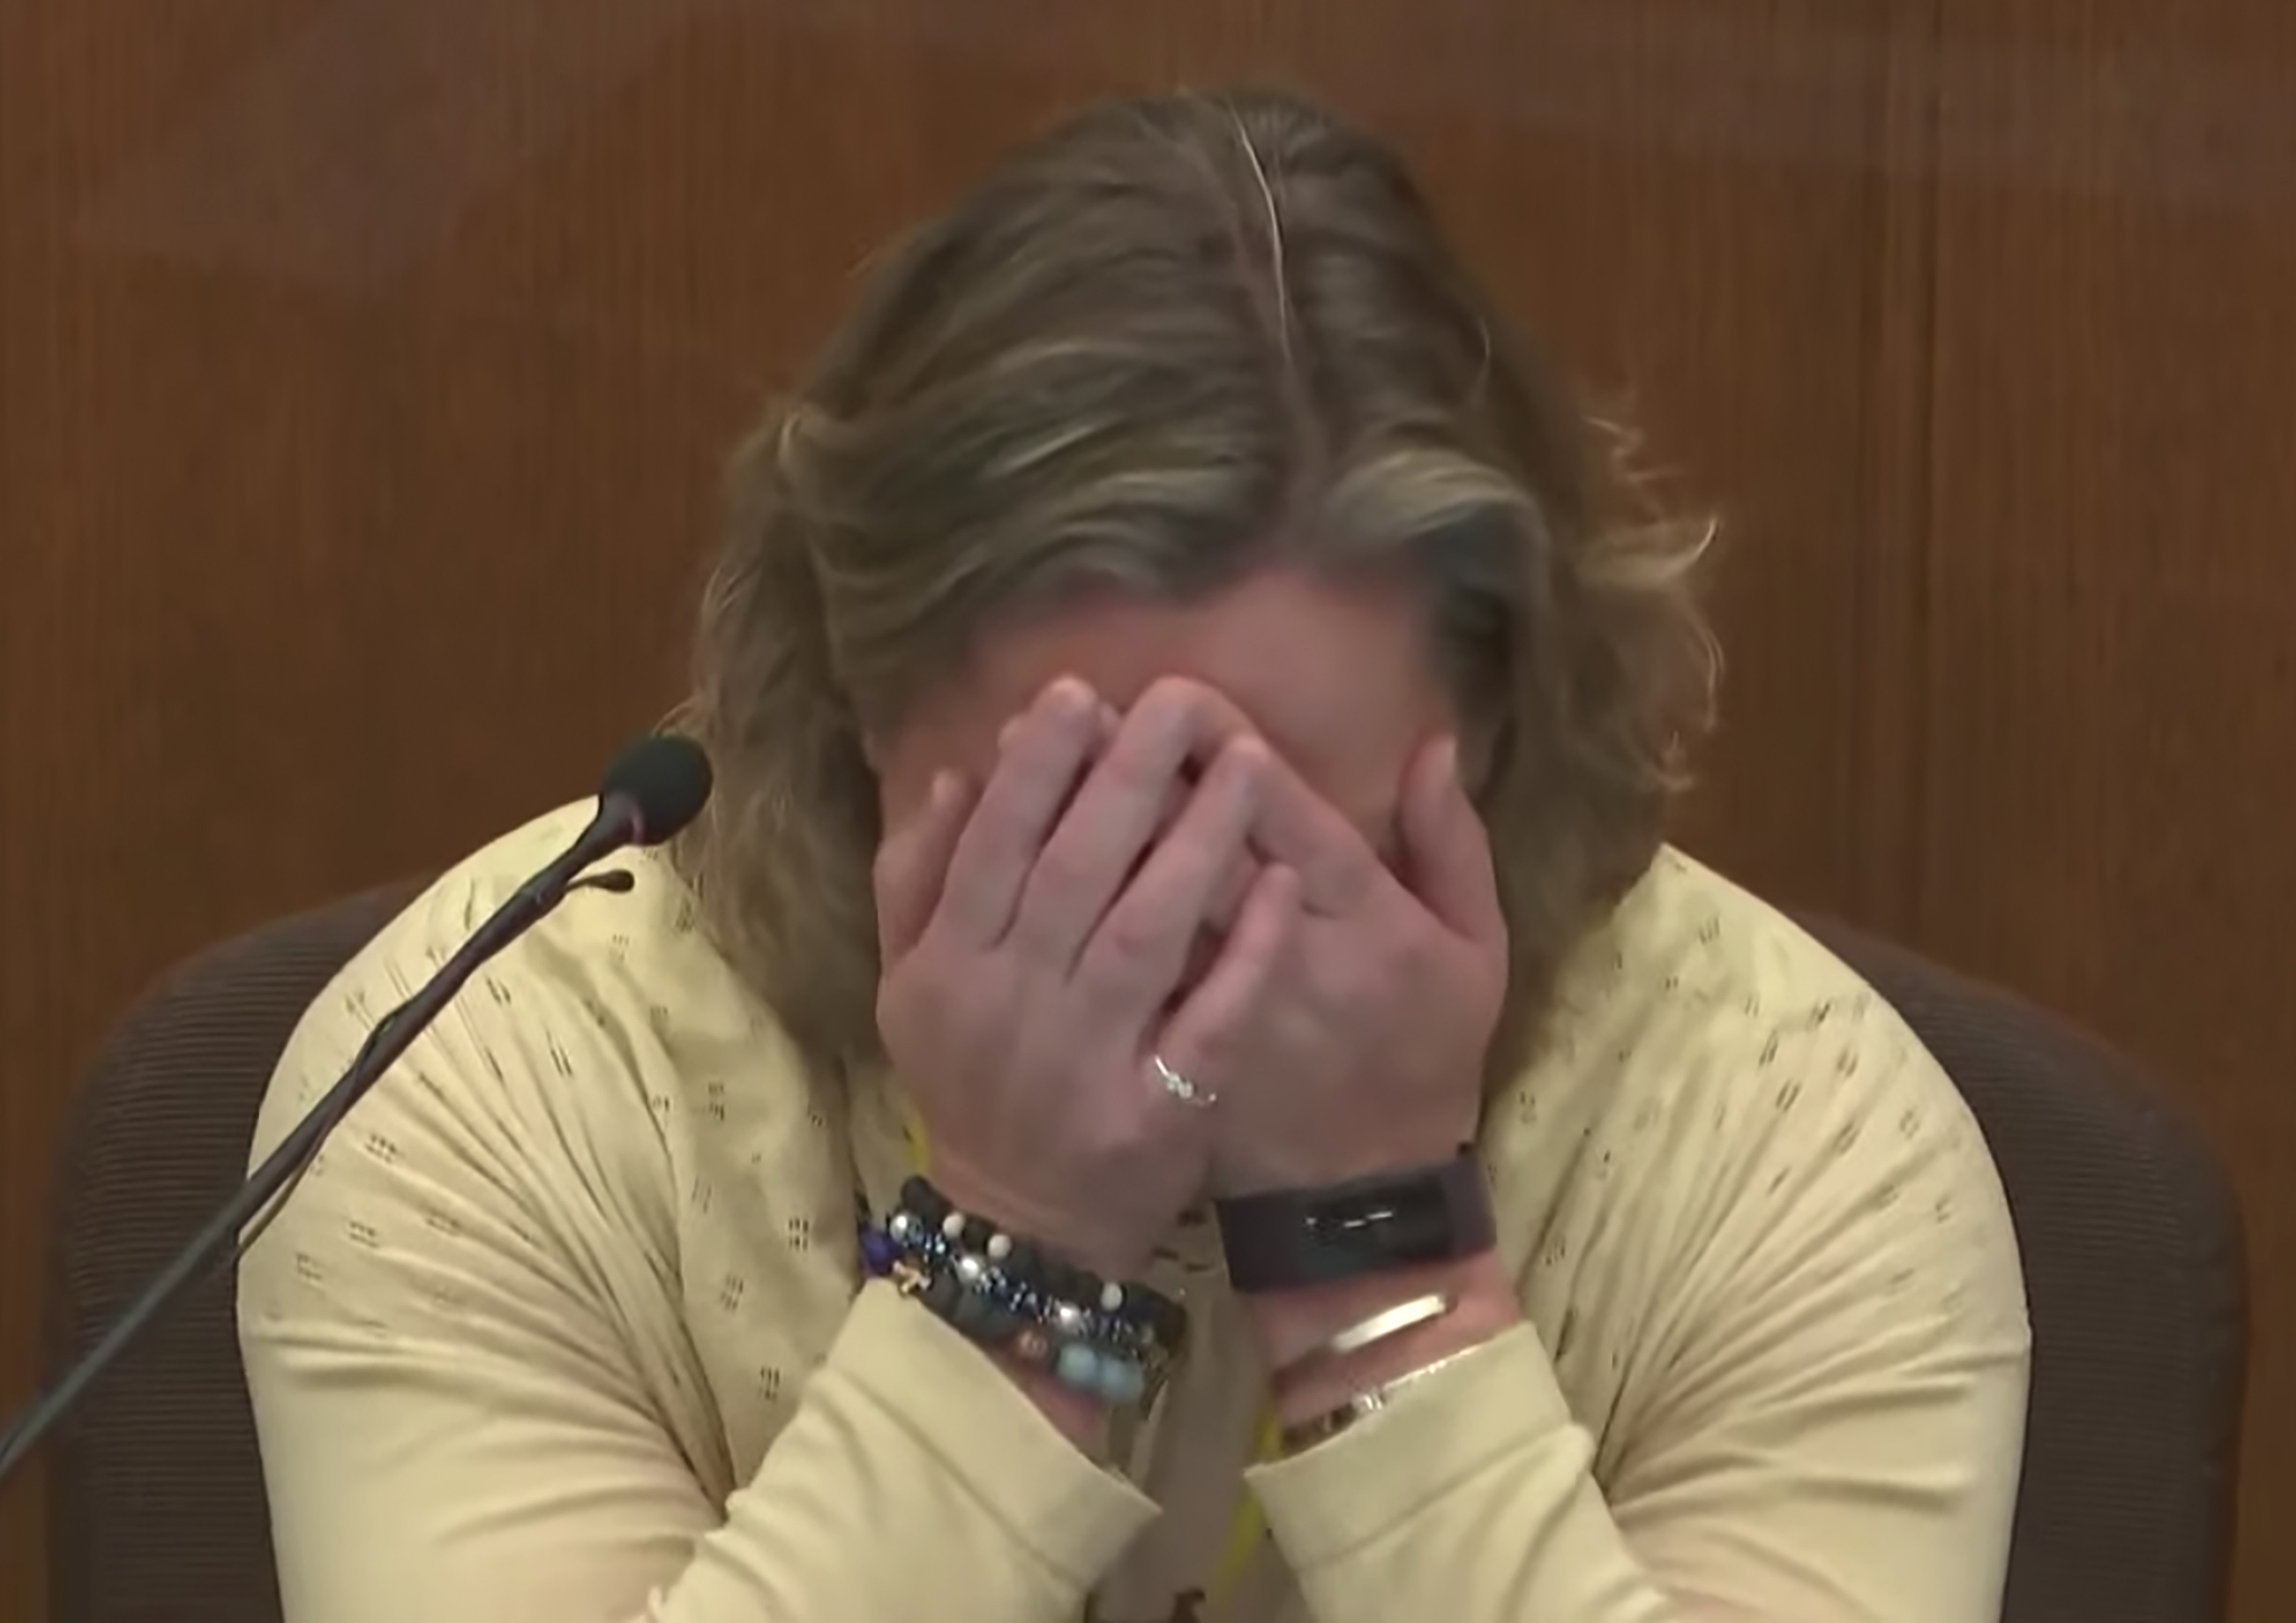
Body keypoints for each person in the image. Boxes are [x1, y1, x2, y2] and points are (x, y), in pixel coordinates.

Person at [239, 88, 2029, 1623]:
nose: (1178, 931)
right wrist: (1021, 1264)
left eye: (1284, 828)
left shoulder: (1798, 1141)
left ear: (1486, 733)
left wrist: (1373, 1262)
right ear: (857, 703)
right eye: (1086, 813)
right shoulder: (501, 1085)